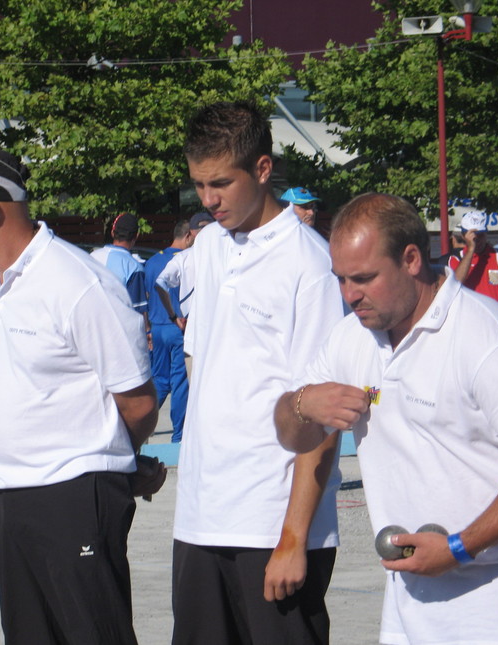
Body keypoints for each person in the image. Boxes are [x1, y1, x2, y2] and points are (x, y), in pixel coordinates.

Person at [273, 192, 498, 645]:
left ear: (411, 259)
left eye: (364, 278)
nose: (350, 295)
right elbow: (294, 435)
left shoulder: (486, 338)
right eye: (341, 279)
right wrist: (301, 405)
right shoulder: (350, 338)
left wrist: (459, 547)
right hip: (409, 593)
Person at [0, 147, 164, 645]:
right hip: (10, 495)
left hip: (73, 496)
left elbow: (138, 402)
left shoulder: (77, 282)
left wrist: (111, 463)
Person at [172, 101, 345, 645]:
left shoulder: (310, 264)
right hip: (201, 518)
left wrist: (293, 537)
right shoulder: (207, 248)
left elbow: (323, 412)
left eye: (221, 183)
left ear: (263, 169)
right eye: (199, 185)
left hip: (273, 526)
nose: (208, 200)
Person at [143, 220, 191, 443]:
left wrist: (148, 329)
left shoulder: (153, 261)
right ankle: (179, 436)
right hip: (178, 327)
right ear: (188, 236)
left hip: (157, 328)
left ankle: (141, 424)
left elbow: (146, 297)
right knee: (180, 382)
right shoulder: (188, 260)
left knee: (160, 380)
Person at [449, 210, 498, 318]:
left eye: (481, 235)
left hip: (497, 322)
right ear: (464, 236)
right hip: (468, 322)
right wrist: (471, 249)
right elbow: (456, 283)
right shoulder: (456, 259)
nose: (478, 240)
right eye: (474, 236)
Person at [154, 211, 214, 319]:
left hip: (191, 322)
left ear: (191, 232)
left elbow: (160, 283)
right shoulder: (227, 255)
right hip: (219, 322)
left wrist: (173, 317)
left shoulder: (183, 257)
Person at [90, 212, 148, 315]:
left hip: (90, 321)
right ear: (136, 236)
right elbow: (138, 310)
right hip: (119, 323)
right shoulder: (134, 267)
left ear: (112, 232)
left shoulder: (91, 257)